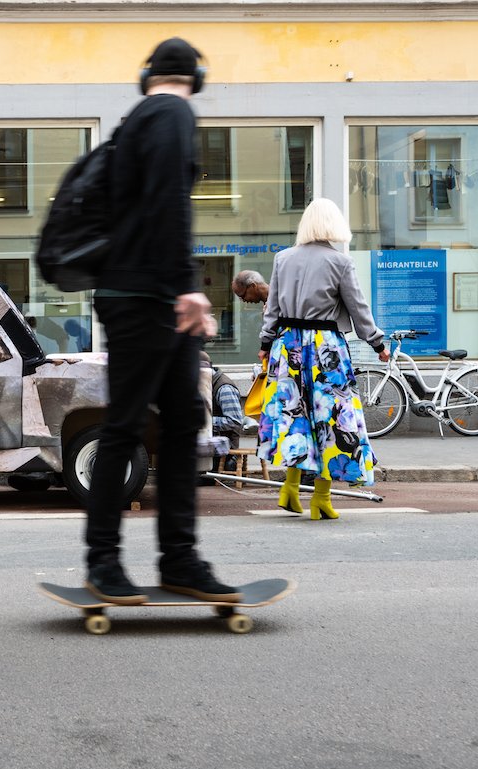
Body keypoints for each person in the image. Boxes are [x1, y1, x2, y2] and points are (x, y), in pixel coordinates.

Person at [82, 37, 240, 605]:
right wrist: (188, 288)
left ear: (147, 74)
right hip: (147, 298)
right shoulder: (172, 113)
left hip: (140, 295)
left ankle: (178, 560)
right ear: (195, 77)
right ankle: (105, 563)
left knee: (179, 421)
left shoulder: (133, 123)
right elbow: (169, 203)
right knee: (128, 426)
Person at [257, 197, 390, 520]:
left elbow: (272, 308)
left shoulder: (283, 259)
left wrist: (265, 342)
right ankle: (321, 498)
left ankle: (289, 489)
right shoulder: (340, 262)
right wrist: (377, 342)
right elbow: (358, 309)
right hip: (324, 348)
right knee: (331, 420)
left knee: (294, 417)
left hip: (288, 345)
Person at [201, 352, 246, 464]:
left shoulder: (224, 388)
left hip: (224, 451)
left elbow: (234, 421)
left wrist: (205, 421)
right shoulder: (205, 383)